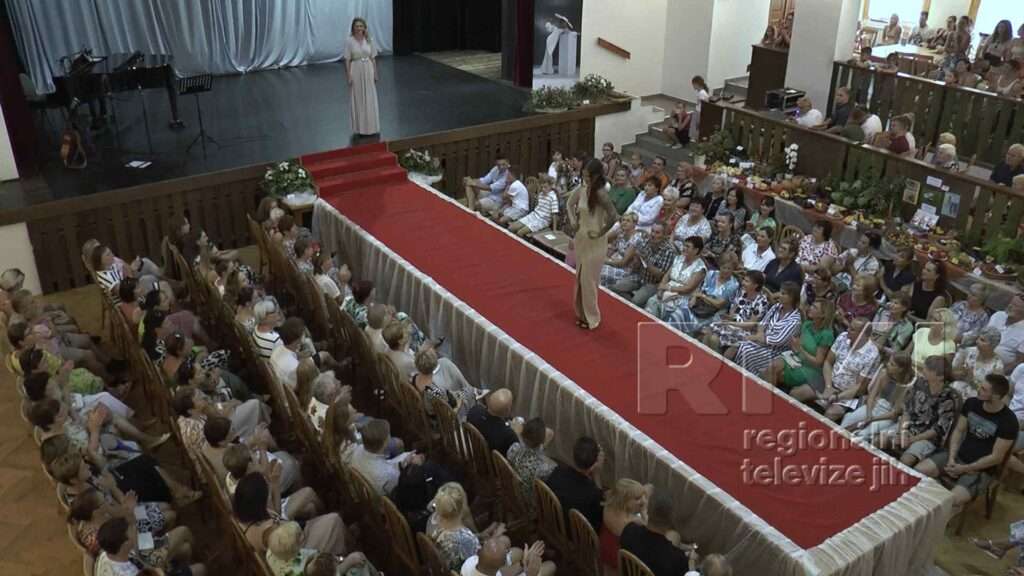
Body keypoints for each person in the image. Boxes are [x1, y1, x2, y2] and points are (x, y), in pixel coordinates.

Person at [917, 374, 1017, 513]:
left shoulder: (1009, 421)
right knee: (917, 472)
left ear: (996, 396)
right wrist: (951, 458)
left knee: (948, 502)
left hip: (980, 469)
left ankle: (941, 509)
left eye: (983, 389)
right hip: (958, 455)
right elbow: (958, 431)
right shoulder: (972, 403)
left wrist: (965, 468)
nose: (978, 390)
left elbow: (996, 457)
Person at [233, 472, 346, 556]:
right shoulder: (270, 532)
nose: (269, 491)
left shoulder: (249, 513)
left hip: (292, 533)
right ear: (260, 500)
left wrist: (275, 482)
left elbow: (276, 513)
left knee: (311, 508)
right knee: (335, 520)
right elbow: (292, 548)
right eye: (267, 489)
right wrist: (303, 528)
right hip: (297, 548)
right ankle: (343, 554)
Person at [877, 355, 959, 466]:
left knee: (906, 460)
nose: (923, 370)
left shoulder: (948, 398)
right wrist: (902, 432)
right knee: (878, 440)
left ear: (940, 376)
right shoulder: (919, 383)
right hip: (908, 428)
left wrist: (912, 440)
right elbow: (907, 410)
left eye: (928, 369)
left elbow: (937, 430)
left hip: (927, 438)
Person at [570, 158, 617, 330]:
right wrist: (573, 220)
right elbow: (569, 204)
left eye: (588, 177)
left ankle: (592, 317)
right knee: (580, 277)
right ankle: (582, 313)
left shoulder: (601, 194)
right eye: (584, 176)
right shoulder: (582, 189)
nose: (586, 179)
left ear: (597, 176)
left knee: (589, 280)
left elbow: (613, 216)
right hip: (581, 238)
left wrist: (601, 232)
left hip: (595, 241)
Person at [427, 482, 508, 571]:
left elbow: (456, 538)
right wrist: (496, 535)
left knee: (504, 541)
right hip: (470, 571)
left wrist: (480, 535)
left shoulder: (432, 521)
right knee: (514, 551)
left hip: (448, 565)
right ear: (463, 508)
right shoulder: (467, 540)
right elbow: (484, 562)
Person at [94, 516, 207, 576]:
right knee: (201, 568)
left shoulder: (106, 553)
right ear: (125, 544)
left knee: (185, 549)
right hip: (150, 569)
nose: (135, 530)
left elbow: (141, 556)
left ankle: (179, 568)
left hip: (145, 565)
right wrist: (160, 565)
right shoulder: (130, 574)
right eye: (132, 530)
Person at [818, 317, 881, 422]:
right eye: (849, 327)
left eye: (852, 329)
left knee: (830, 413)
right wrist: (828, 386)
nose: (847, 330)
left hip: (847, 395)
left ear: (863, 335)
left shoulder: (872, 355)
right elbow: (828, 362)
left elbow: (860, 388)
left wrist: (837, 397)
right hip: (828, 382)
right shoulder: (843, 337)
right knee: (798, 392)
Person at [769, 298, 835, 398]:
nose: (810, 308)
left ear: (823, 315)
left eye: (815, 307)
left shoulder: (826, 335)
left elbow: (818, 362)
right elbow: (796, 346)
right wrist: (794, 346)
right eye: (812, 305)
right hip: (796, 358)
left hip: (812, 369)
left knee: (780, 375)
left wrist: (800, 350)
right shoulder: (807, 324)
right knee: (772, 367)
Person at [842, 352, 915, 442]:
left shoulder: (907, 387)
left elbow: (894, 414)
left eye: (892, 364)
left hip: (887, 416)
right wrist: (869, 414)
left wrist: (872, 419)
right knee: (848, 420)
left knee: (862, 434)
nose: (888, 365)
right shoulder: (883, 373)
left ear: (900, 369)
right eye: (889, 362)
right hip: (873, 407)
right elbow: (871, 397)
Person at [734, 282, 802, 376]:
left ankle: (749, 378)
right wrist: (759, 334)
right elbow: (763, 323)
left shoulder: (795, 319)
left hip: (776, 351)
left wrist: (756, 338)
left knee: (746, 348)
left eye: (783, 293)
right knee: (738, 342)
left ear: (791, 298)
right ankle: (737, 374)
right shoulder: (776, 307)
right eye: (780, 292)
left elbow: (778, 340)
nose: (779, 295)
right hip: (762, 341)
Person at [620, 492, 691, 576]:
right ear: (672, 518)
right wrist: (692, 562)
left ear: (648, 511)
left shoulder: (629, 530)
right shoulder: (678, 559)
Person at [669, 252, 739, 335]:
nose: (726, 271)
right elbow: (699, 290)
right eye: (724, 267)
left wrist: (703, 296)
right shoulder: (711, 274)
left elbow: (719, 304)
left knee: (693, 326)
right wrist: (694, 297)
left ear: (733, 269)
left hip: (714, 313)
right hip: (699, 305)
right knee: (678, 314)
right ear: (720, 266)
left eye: (729, 268)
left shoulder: (733, 284)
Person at [544, 436, 604, 530]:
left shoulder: (557, 471)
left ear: (573, 455)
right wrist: (597, 475)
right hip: (574, 533)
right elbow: (600, 516)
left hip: (552, 520)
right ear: (594, 465)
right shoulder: (593, 494)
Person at [704, 270, 770, 353]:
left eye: (747, 281)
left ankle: (714, 357)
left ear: (755, 285)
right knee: (709, 332)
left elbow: (750, 324)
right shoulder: (742, 292)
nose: (743, 283)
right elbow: (733, 308)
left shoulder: (761, 302)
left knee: (714, 336)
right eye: (744, 280)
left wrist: (732, 323)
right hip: (732, 324)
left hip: (745, 330)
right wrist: (730, 318)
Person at [645, 236, 706, 321]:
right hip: (666, 291)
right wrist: (660, 289)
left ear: (696, 250)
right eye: (684, 245)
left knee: (669, 312)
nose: (684, 248)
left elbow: (688, 288)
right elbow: (666, 276)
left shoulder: (700, 268)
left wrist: (669, 288)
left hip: (682, 297)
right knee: (652, 301)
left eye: (687, 246)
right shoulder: (678, 258)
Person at [599, 479, 651, 570]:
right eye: (637, 498)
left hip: (603, 547)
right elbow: (647, 528)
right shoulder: (632, 521)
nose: (642, 501)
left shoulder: (609, 505)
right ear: (624, 500)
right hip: (619, 558)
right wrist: (644, 511)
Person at [345, 18, 379, 136]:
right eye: (357, 26)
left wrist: (375, 73)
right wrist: (348, 75)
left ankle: (371, 127)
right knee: (358, 98)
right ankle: (360, 128)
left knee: (369, 97)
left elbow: (373, 58)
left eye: (361, 26)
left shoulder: (369, 40)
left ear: (364, 28)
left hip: (368, 69)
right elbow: (347, 59)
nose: (359, 28)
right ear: (353, 28)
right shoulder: (349, 41)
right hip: (356, 69)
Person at [506, 417, 556, 498]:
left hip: (511, 485)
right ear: (542, 441)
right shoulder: (543, 468)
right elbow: (550, 432)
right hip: (527, 499)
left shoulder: (514, 448)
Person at [951, 327, 1004, 399]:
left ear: (992, 346)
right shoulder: (968, 351)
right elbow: (952, 372)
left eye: (982, 340)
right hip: (958, 386)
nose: (977, 341)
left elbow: (991, 393)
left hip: (977, 397)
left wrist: (972, 380)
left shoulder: (997, 366)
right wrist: (962, 373)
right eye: (978, 338)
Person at [467, 389, 521, 456]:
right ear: (507, 411)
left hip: (476, 450)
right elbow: (516, 456)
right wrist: (517, 434)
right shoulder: (509, 436)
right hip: (491, 460)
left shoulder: (474, 411)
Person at [600, 214, 643, 289]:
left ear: (634, 224)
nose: (624, 222)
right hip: (614, 262)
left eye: (628, 221)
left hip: (626, 270)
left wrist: (606, 261)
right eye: (623, 220)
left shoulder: (636, 239)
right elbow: (605, 241)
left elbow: (623, 263)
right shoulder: (622, 233)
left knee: (600, 272)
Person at [909, 307, 957, 373]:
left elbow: (942, 370)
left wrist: (912, 362)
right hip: (908, 371)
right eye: (932, 318)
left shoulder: (949, 345)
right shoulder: (921, 331)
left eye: (936, 320)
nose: (931, 321)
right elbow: (906, 352)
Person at [984, 295, 1024, 371]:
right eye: (1011, 303)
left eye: (1016, 306)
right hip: (977, 355)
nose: (1010, 306)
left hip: (998, 368)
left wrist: (997, 373)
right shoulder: (998, 315)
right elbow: (981, 335)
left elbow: (1018, 362)